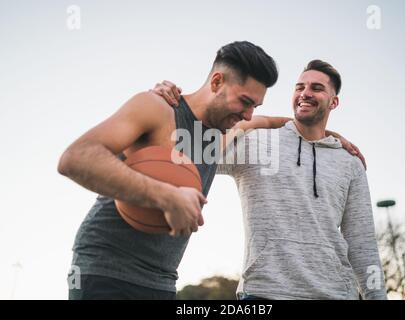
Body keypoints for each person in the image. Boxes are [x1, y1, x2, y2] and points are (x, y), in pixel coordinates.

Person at [57, 41, 279, 299]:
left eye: (255, 106)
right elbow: (75, 158)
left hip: (162, 280)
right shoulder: (158, 107)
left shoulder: (221, 136)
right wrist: (167, 196)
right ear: (217, 82)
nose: (249, 115)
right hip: (106, 268)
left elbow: (267, 122)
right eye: (245, 102)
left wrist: (327, 136)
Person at [154, 60, 387, 299]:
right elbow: (184, 148)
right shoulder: (257, 143)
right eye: (299, 87)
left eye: (316, 88)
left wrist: (377, 296)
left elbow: (362, 244)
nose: (305, 93)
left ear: (333, 101)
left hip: (335, 293)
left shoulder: (349, 161)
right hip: (264, 292)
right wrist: (169, 105)